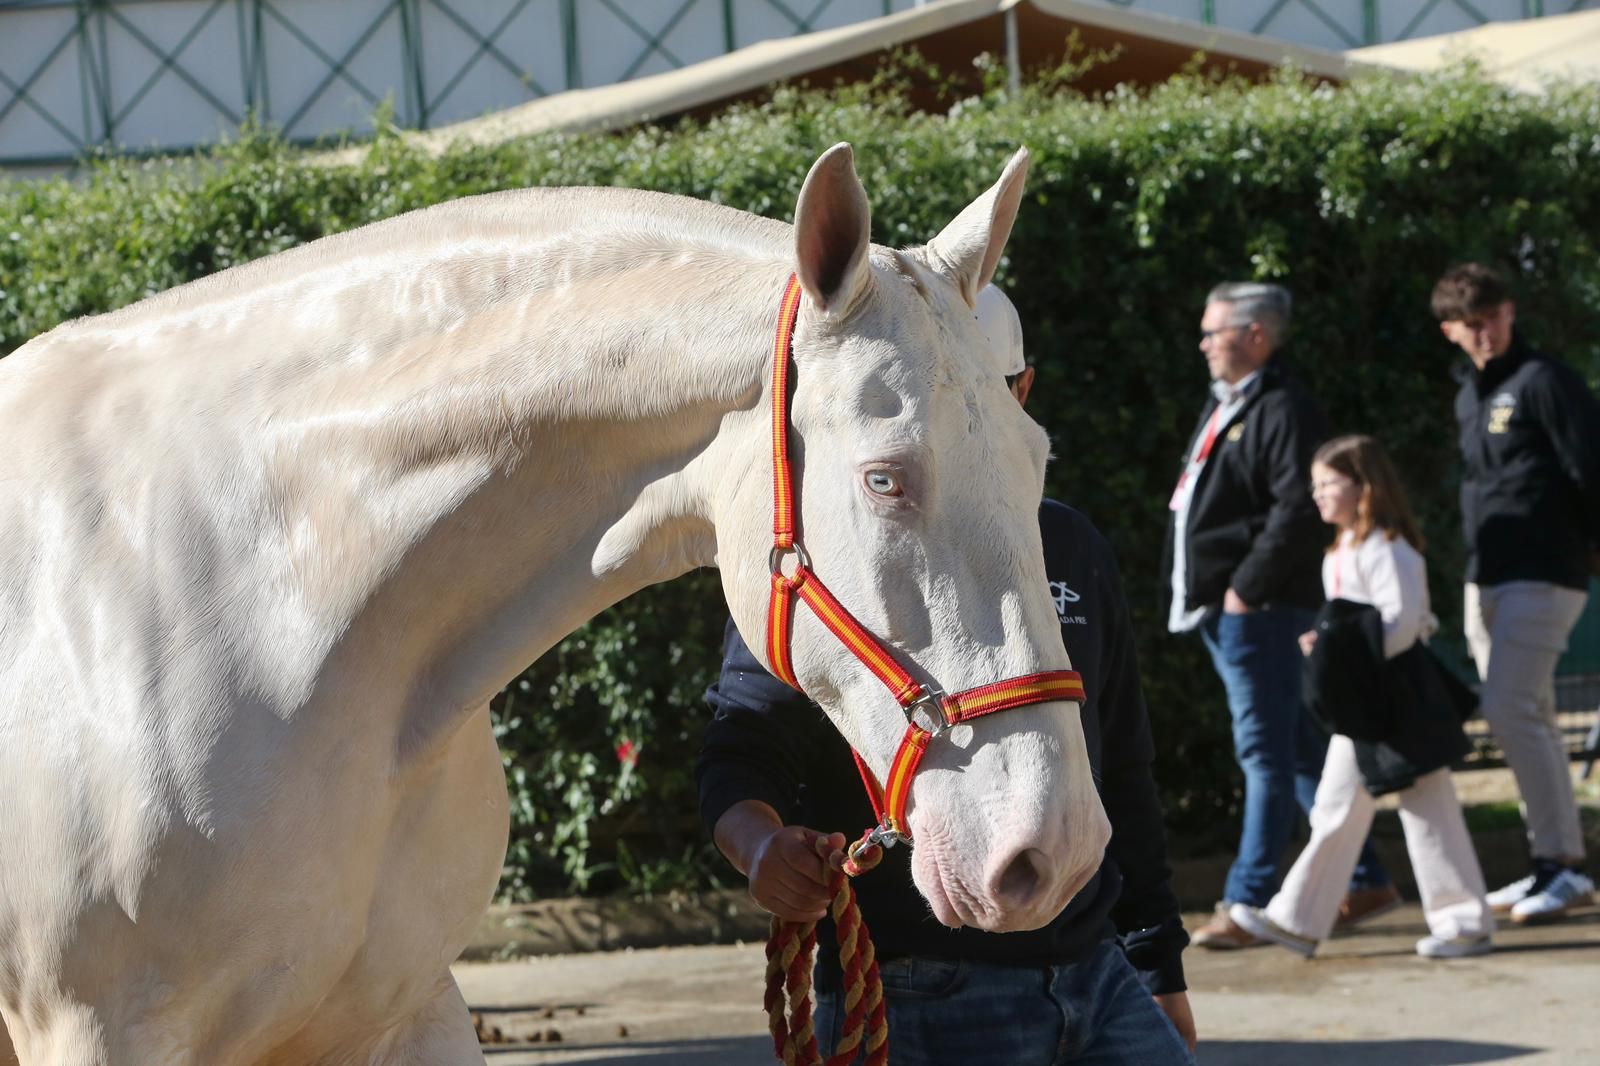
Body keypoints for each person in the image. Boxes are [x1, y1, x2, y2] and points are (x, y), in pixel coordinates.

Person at [696, 286, 1196, 1064]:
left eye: (984, 397)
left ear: (1022, 394)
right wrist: (761, 848)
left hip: (1098, 966)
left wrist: (1157, 963)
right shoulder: (833, 549)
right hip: (917, 981)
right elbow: (745, 740)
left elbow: (1120, 766)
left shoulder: (1071, 545)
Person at [1163, 282, 1393, 949]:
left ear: (1256, 334)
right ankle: (1367, 877)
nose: (1204, 343)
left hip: (1257, 612)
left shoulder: (1282, 407)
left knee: (1264, 754)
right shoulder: (1229, 403)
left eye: (1215, 331)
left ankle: (1246, 901)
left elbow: (1297, 507)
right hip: (1227, 610)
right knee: (1294, 753)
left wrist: (1246, 591)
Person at [1230, 435, 1495, 959]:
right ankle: (1299, 919)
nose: (1319, 495)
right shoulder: (1341, 553)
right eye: (1315, 484)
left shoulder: (1388, 548)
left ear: (1363, 486)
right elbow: (1361, 625)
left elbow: (1401, 625)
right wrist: (1329, 642)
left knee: (1424, 806)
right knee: (1340, 805)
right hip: (1368, 704)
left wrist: (1333, 642)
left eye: (1330, 483)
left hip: (1396, 701)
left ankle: (1461, 922)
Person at [1433, 262, 1600, 923]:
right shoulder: (1468, 395)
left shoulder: (1546, 380)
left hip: (1546, 571)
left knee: (1506, 710)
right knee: (1524, 718)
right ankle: (1555, 866)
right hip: (1488, 575)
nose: (1486, 333)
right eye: (1470, 325)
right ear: (1450, 330)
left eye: (1494, 317)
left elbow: (1591, 467)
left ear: (1510, 312)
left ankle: (1562, 865)